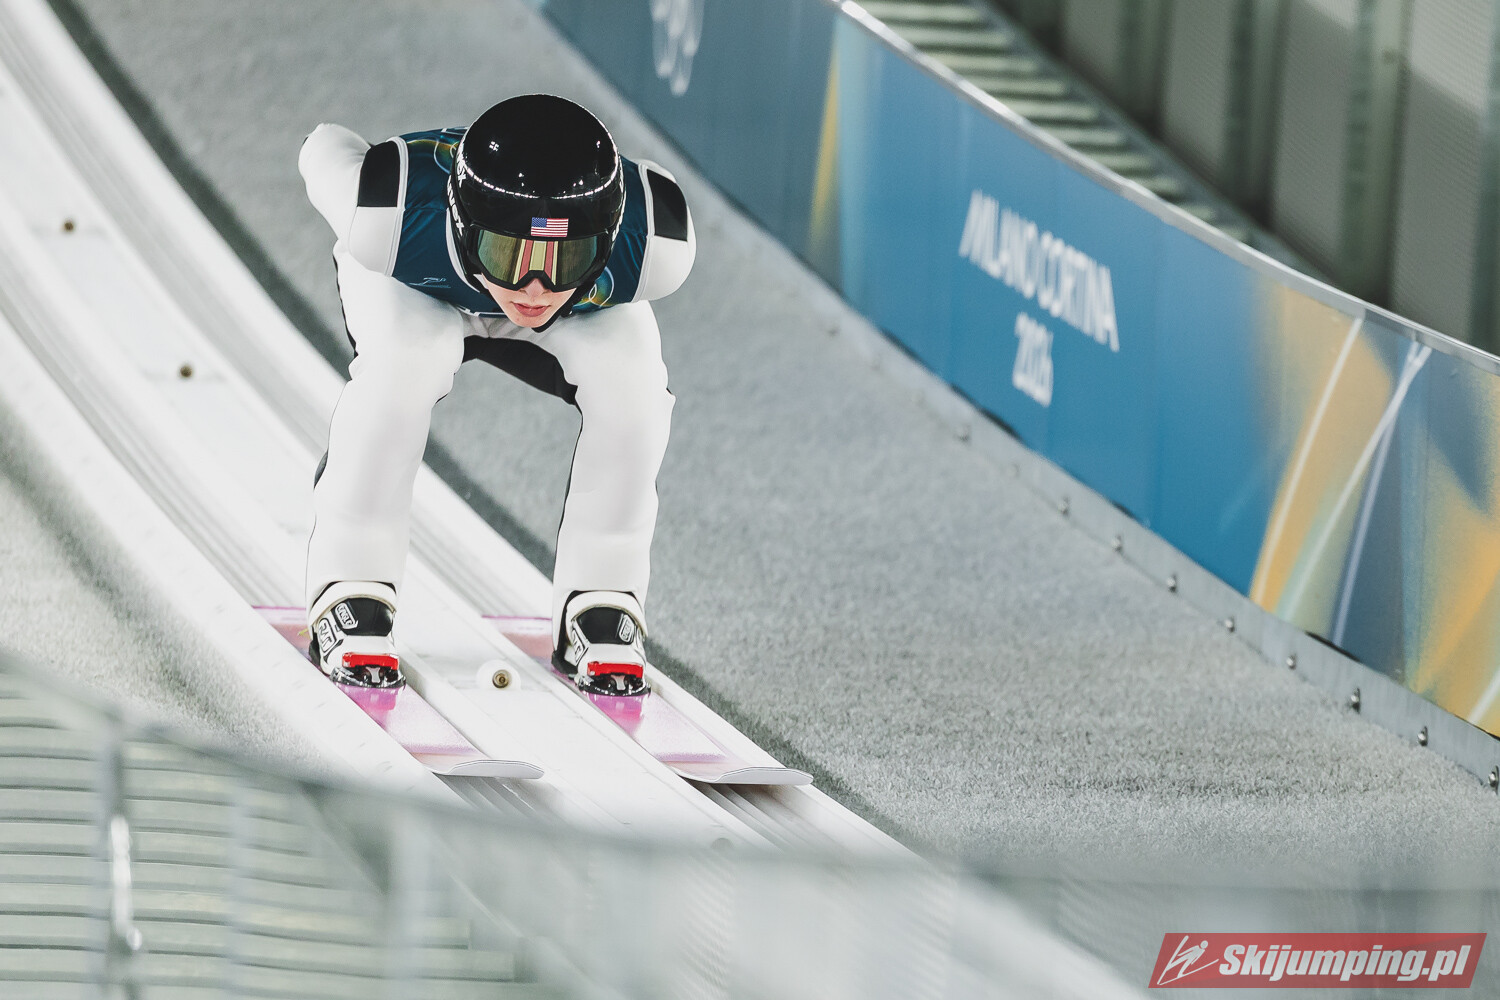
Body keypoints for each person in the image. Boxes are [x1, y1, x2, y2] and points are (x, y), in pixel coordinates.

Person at [297, 94, 694, 696]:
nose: (533, 288)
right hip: (415, 283)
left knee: (634, 389)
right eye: (508, 252)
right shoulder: (385, 214)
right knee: (406, 362)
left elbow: (322, 136)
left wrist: (516, 262)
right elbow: (323, 144)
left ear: (608, 239)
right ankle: (350, 582)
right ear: (461, 224)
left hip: (565, 302)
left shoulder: (656, 246)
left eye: (566, 255)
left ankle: (604, 594)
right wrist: (568, 274)